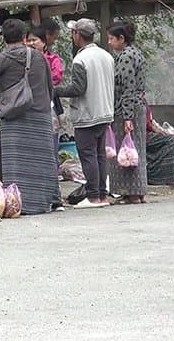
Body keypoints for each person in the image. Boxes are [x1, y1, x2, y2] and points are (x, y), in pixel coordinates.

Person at [0, 19, 60, 215]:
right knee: (42, 160)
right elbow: (50, 86)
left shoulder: (3, 58)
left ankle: (20, 203)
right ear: (24, 37)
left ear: (4, 39)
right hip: (40, 114)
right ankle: (46, 202)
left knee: (17, 163)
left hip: (14, 116)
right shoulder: (38, 57)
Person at [55, 18, 115, 208]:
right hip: (104, 111)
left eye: (73, 32)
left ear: (78, 35)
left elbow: (78, 88)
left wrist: (55, 90)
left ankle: (92, 196)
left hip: (87, 114)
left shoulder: (81, 59)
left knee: (88, 155)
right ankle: (102, 195)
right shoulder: (107, 56)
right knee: (100, 155)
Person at [106, 21, 148, 204]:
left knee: (127, 151)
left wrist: (127, 116)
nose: (109, 42)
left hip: (127, 109)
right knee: (135, 149)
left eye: (111, 39)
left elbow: (128, 88)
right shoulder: (136, 53)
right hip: (136, 107)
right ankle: (138, 191)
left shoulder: (126, 57)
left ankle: (131, 192)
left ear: (121, 39)